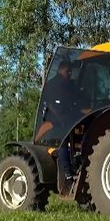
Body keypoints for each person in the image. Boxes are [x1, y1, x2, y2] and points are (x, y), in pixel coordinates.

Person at [45, 60, 79, 195]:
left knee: (67, 145)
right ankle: (68, 174)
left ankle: (72, 169)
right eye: (68, 71)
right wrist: (62, 119)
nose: (70, 74)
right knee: (63, 145)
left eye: (70, 71)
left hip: (67, 119)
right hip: (56, 122)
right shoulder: (55, 84)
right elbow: (50, 105)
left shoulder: (68, 84)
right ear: (61, 69)